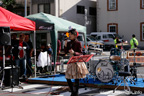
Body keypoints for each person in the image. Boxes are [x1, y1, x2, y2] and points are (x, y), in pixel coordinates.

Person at [64, 29, 89, 96]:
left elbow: (81, 53)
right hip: (71, 61)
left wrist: (74, 52)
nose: (69, 36)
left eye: (71, 34)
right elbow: (65, 52)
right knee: (67, 77)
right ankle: (73, 91)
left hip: (77, 61)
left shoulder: (78, 43)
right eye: (69, 35)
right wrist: (65, 45)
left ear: (75, 35)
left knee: (76, 78)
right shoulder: (69, 43)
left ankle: (75, 93)